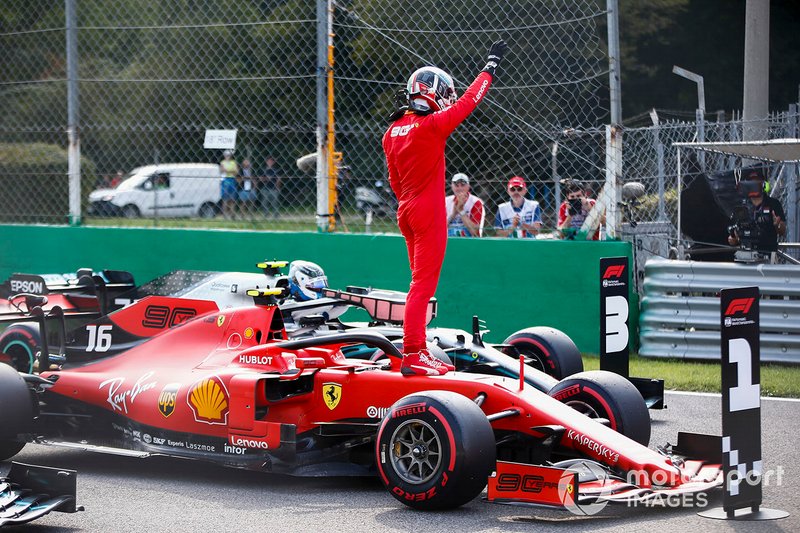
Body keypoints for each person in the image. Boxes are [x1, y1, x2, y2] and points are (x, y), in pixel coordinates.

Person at [382, 39, 507, 376]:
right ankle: (413, 352)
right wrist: (489, 67)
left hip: (405, 209)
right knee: (423, 286)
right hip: (427, 210)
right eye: (444, 92)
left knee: (416, 285)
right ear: (431, 91)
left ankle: (416, 348)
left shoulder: (391, 131)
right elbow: (470, 101)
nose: (448, 98)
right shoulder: (433, 126)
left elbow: (394, 182)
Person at [727, 169, 786, 259]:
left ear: (763, 185)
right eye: (751, 183)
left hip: (768, 254)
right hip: (745, 255)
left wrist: (777, 224)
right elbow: (734, 236)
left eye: (756, 182)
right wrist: (733, 238)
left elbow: (782, 231)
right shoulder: (741, 206)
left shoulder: (773, 204)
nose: (754, 185)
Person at [445, 173, 485, 237]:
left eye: (463, 185)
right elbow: (439, 228)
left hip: (469, 241)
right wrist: (453, 214)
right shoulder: (446, 201)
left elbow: (475, 232)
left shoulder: (475, 202)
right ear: (452, 186)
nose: (460, 188)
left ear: (468, 186)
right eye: (456, 185)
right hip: (449, 240)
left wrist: (461, 211)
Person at [219, 149, 239, 219]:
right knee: (225, 199)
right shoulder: (222, 162)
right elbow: (222, 170)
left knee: (232, 199)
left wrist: (227, 170)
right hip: (225, 180)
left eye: (229, 155)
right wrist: (231, 171)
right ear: (224, 155)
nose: (228, 156)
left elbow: (236, 171)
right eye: (226, 155)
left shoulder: (233, 162)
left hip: (232, 180)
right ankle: (224, 215)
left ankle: (232, 214)